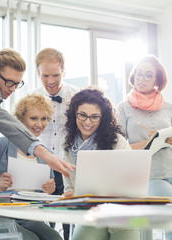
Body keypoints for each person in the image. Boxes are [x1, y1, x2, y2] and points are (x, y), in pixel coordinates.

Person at [0, 48, 74, 178]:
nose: (13, 89)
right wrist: (45, 153)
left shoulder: (74, 96)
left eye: (17, 84)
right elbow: (2, 119)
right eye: (9, 83)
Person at [116, 55, 172, 240]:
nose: (141, 79)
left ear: (158, 80)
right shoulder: (124, 107)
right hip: (150, 176)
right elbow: (119, 150)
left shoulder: (168, 107)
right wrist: (150, 141)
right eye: (139, 74)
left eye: (148, 75)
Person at [0, 93, 62, 240]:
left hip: (28, 214)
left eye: (44, 118)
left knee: (55, 237)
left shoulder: (46, 154)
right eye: (33, 118)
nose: (39, 124)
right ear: (21, 120)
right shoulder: (1, 145)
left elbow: (44, 197)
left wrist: (49, 190)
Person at [62, 87, 139, 240]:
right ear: (74, 114)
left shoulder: (117, 141)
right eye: (82, 115)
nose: (87, 122)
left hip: (121, 212)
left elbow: (133, 180)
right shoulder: (69, 147)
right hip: (91, 214)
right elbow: (69, 186)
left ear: (102, 118)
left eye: (94, 117)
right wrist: (70, 194)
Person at [33, 48, 78, 240]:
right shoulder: (32, 99)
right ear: (38, 74)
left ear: (64, 73)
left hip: (69, 165)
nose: (51, 81)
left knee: (70, 218)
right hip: (42, 166)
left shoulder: (77, 97)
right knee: (45, 219)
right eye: (45, 76)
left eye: (56, 75)